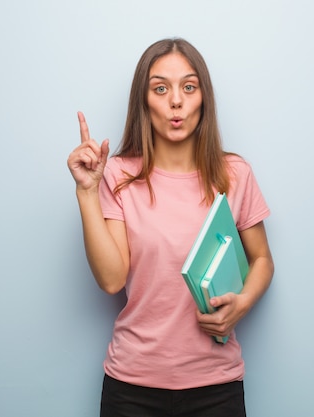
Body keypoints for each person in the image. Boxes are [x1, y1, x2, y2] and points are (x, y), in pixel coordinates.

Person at [67, 38, 274, 417]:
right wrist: (87, 192)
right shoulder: (118, 174)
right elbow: (112, 280)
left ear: (203, 99)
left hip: (216, 386)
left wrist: (241, 305)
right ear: (144, 102)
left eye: (188, 87)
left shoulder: (234, 174)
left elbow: (262, 259)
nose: (176, 101)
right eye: (161, 88)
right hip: (132, 387)